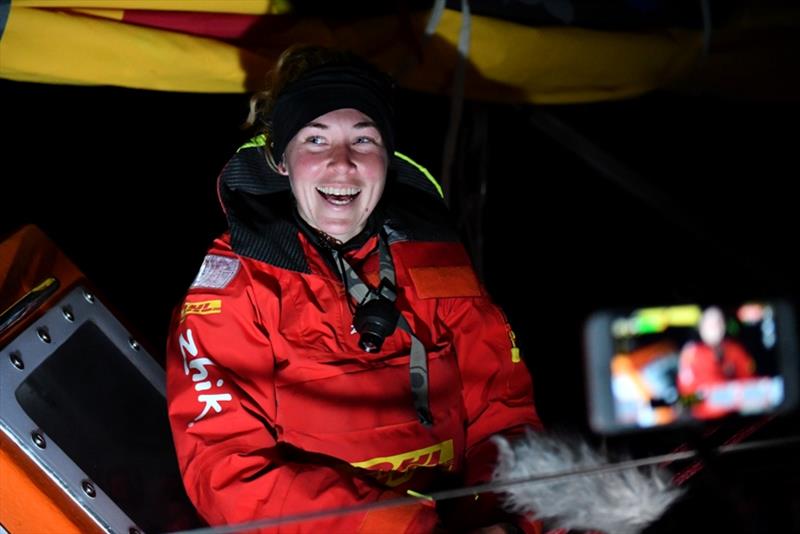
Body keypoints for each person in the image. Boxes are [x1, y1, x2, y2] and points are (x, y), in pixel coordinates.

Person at [166, 45, 542, 533]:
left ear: (387, 157)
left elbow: (506, 416)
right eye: (316, 141)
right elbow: (225, 473)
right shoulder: (234, 293)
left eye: (363, 141)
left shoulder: (437, 260)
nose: (342, 165)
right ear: (281, 160)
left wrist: (508, 521)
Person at [676, 306, 756, 419]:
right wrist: (705, 396)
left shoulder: (734, 349)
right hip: (703, 420)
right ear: (701, 327)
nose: (715, 327)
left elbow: (751, 384)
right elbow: (685, 400)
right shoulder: (691, 353)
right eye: (710, 323)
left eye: (719, 321)